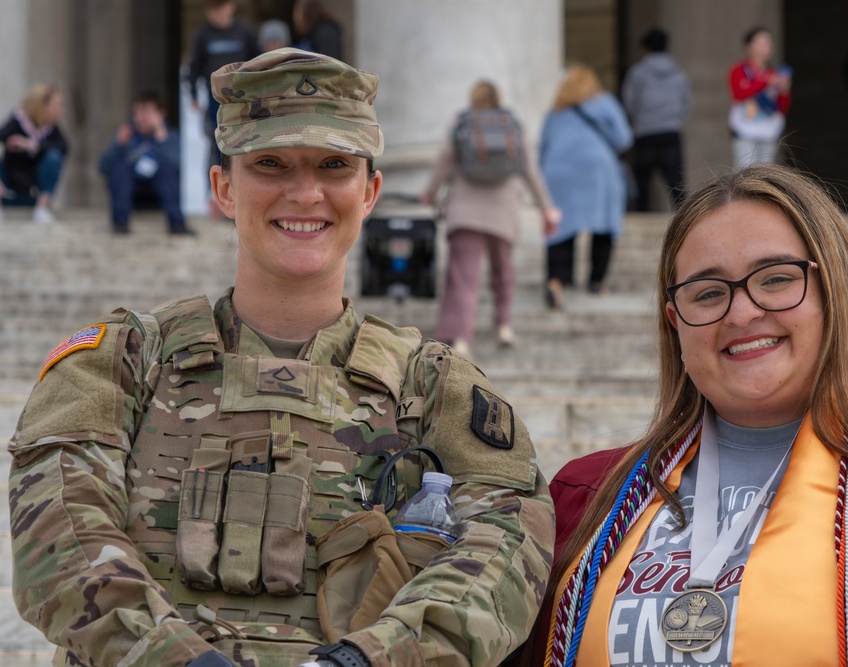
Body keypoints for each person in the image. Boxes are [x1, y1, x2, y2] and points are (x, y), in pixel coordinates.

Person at [8, 48, 555, 667]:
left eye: (334, 165)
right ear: (223, 188)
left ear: (370, 191)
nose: (305, 192)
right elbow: (59, 541)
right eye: (270, 163)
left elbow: (507, 551)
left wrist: (362, 661)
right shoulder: (119, 362)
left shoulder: (436, 388)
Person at [527, 163, 848, 666]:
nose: (741, 313)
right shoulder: (588, 500)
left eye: (775, 279)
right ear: (675, 324)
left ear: (833, 290)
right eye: (707, 293)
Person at [421, 81, 561, 356]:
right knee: (504, 271)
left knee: (464, 276)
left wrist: (429, 193)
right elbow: (530, 170)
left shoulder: (461, 122)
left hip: (465, 210)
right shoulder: (513, 125)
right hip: (503, 210)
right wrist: (547, 208)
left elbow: (444, 161)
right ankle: (504, 325)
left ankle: (461, 337)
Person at [539, 65, 632, 308]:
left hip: (558, 171)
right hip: (597, 169)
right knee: (603, 223)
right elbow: (624, 138)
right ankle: (596, 281)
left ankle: (556, 281)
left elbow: (543, 146)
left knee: (559, 226)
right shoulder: (604, 101)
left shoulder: (556, 111)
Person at [98, 90, 195, 236]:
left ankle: (177, 224)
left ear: (160, 113)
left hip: (159, 193)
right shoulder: (126, 135)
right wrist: (118, 144)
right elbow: (103, 167)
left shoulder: (170, 136)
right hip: (130, 192)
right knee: (120, 167)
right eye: (138, 113)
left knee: (166, 169)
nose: (141, 118)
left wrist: (161, 137)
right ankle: (120, 223)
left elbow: (179, 166)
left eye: (147, 113)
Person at [621, 28, 691, 213]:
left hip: (645, 132)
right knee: (676, 182)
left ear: (646, 49)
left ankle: (641, 216)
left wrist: (641, 119)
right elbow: (685, 101)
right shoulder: (678, 73)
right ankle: (686, 219)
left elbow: (629, 102)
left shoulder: (637, 72)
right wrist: (673, 118)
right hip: (670, 131)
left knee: (642, 182)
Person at [187, 0, 258, 174]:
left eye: (220, 9)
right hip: (216, 98)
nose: (217, 14)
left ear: (231, 7)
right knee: (217, 140)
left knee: (244, 138)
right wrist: (193, 94)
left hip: (243, 97)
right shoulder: (203, 35)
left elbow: (258, 63)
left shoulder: (244, 32)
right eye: (212, 10)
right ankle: (216, 185)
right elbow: (194, 67)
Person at [0, 83, 68, 224]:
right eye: (56, 105)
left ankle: (41, 208)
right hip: (10, 186)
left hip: (33, 190)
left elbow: (64, 147)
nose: (59, 110)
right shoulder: (18, 121)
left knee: (54, 157)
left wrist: (32, 145)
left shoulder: (50, 128)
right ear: (41, 105)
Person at [728, 27, 792, 168]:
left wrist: (785, 91)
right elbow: (739, 94)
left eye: (768, 43)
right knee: (744, 174)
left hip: (768, 132)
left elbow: (782, 108)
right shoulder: (739, 70)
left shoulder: (775, 73)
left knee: (766, 173)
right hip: (745, 131)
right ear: (749, 47)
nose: (765, 47)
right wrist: (765, 82)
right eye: (760, 43)